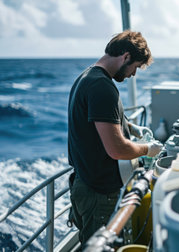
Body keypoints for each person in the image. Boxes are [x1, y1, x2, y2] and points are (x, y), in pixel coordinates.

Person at [67, 30, 163, 247]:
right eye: (136, 67)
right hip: (97, 193)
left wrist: (130, 126)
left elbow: (101, 118)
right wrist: (147, 149)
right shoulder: (102, 87)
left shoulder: (88, 77)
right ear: (126, 56)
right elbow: (117, 149)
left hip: (85, 182)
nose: (133, 74)